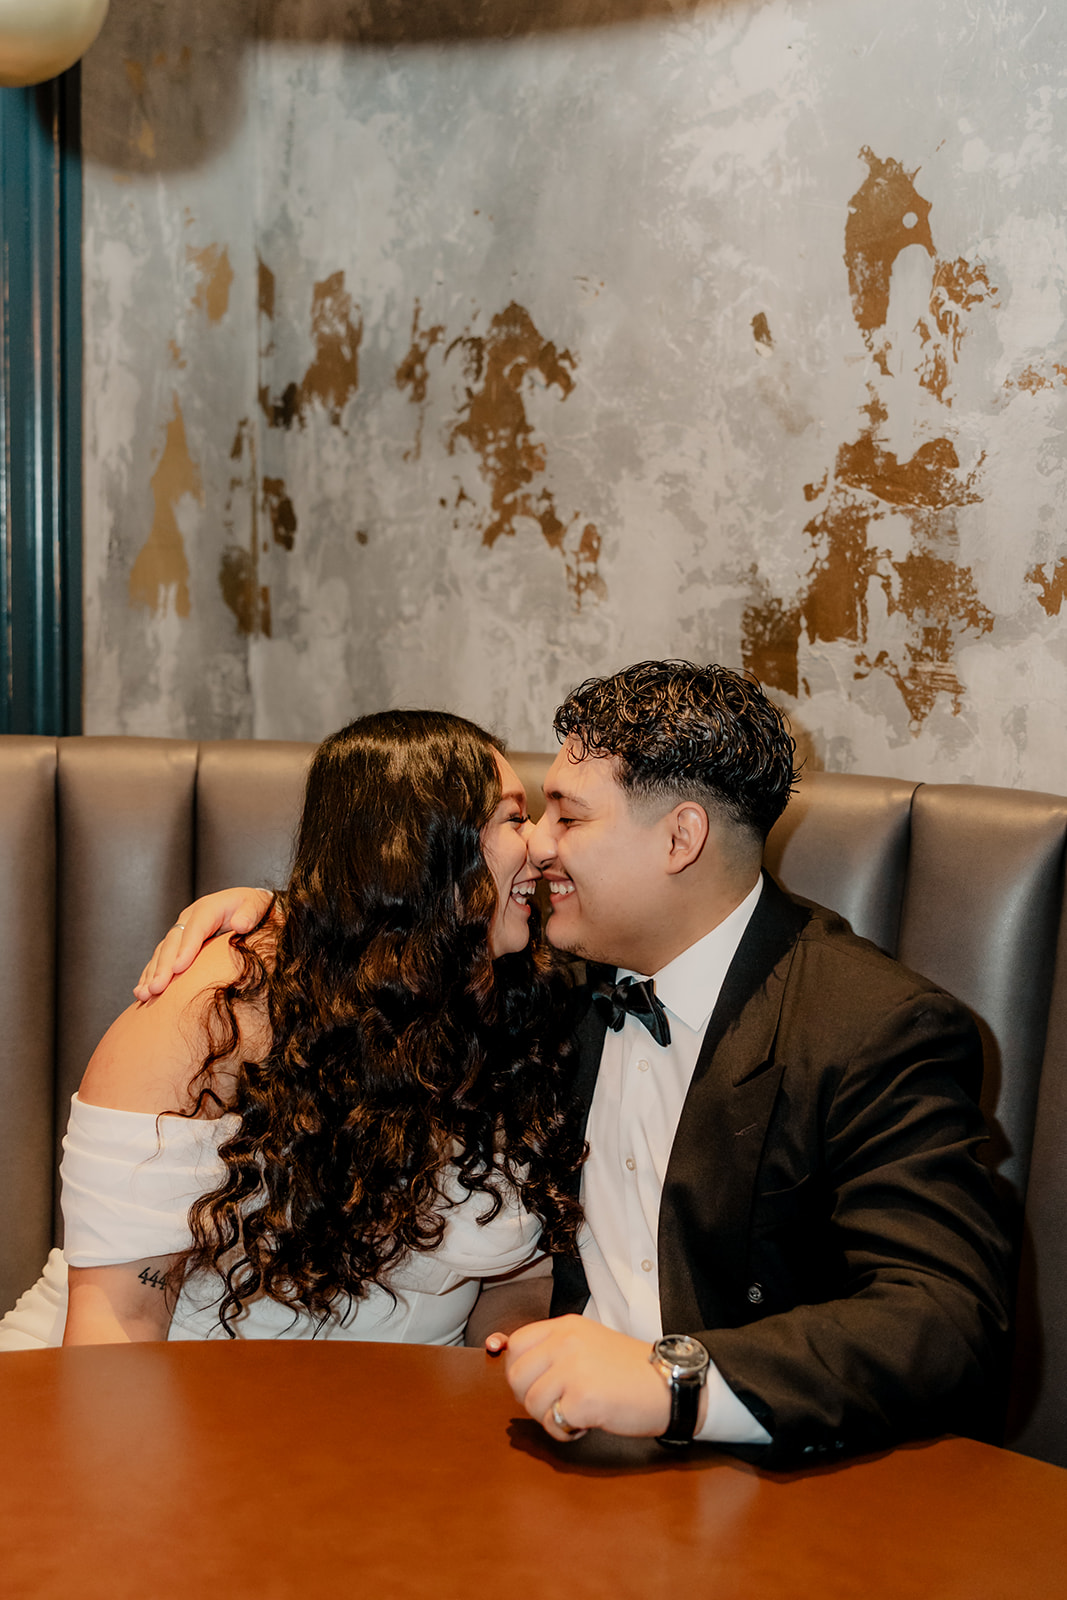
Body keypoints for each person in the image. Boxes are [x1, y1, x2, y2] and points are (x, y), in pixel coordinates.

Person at [130, 664, 1012, 1467]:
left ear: (680, 839)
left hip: (745, 1472)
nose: (535, 846)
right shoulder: (542, 979)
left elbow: (947, 1318)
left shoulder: (871, 1027)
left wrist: (677, 1380)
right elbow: (396, 937)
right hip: (522, 1454)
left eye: (568, 816)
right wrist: (277, 914)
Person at [0, 710, 583, 1349]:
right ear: (420, 851)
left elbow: (516, 1279)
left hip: (400, 1425)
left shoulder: (532, 1008)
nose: (543, 845)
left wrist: (496, 1373)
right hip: (172, 1400)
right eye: (513, 818)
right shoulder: (219, 1011)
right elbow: (119, 1323)